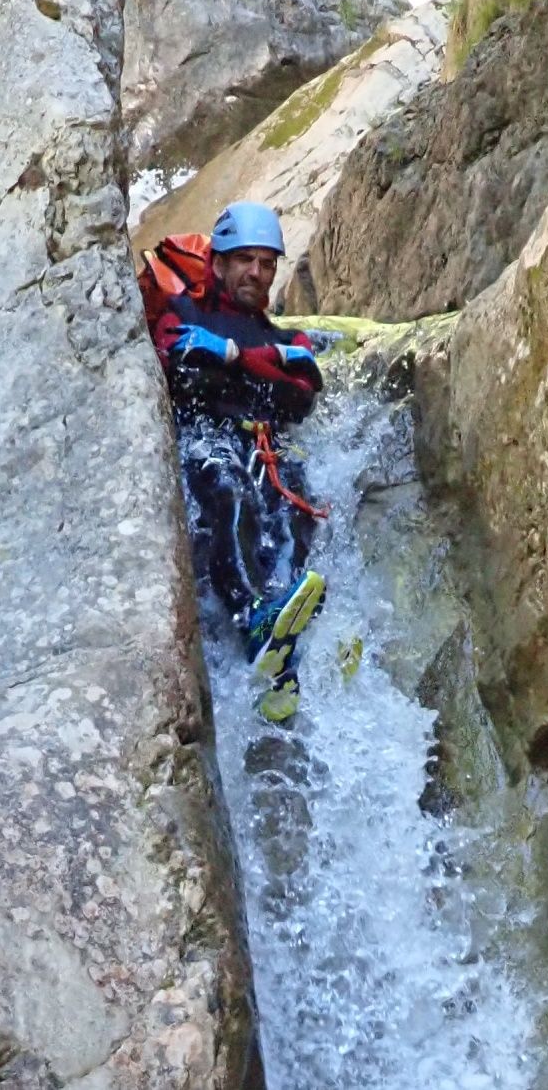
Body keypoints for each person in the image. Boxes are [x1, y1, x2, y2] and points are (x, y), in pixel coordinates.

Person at [152, 200, 328, 722]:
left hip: (264, 447)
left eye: (267, 262)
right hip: (209, 441)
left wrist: (231, 358)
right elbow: (182, 361)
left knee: (301, 516)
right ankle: (253, 618)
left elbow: (303, 384)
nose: (258, 272)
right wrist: (254, 367)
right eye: (246, 260)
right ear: (221, 263)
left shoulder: (282, 336)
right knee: (228, 493)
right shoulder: (184, 312)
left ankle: (285, 651)